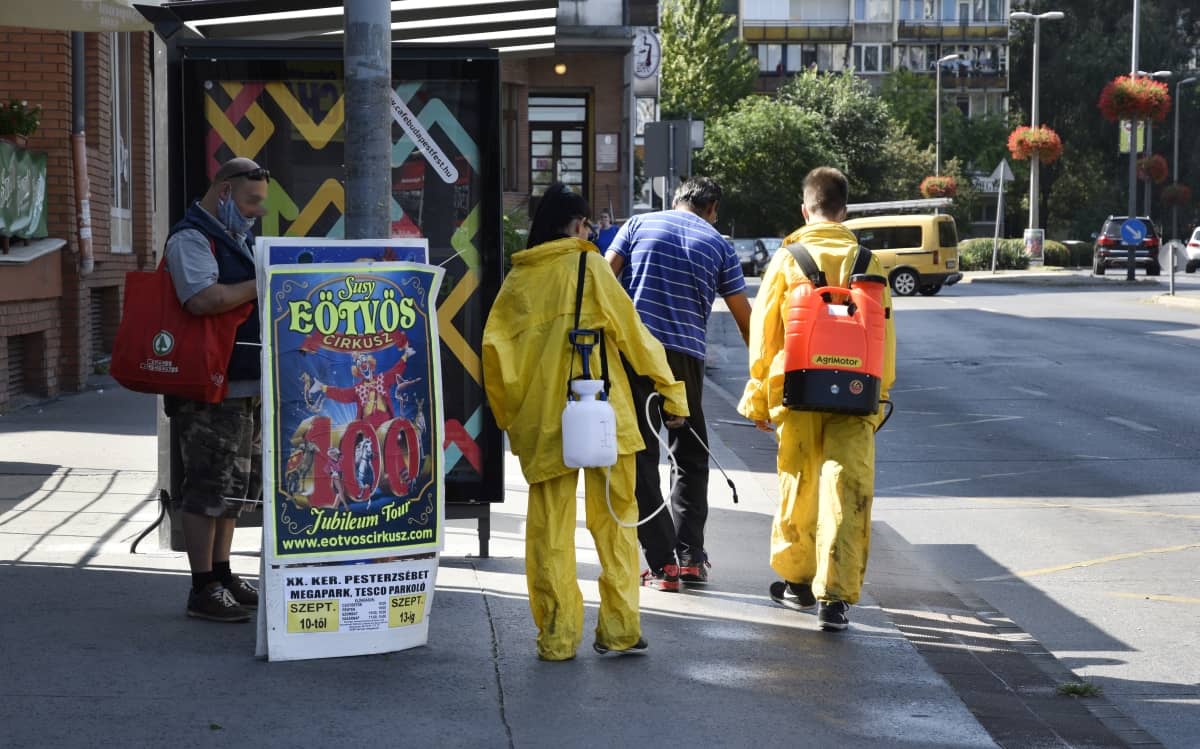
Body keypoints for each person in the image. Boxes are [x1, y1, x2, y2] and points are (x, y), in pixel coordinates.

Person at [483, 183, 688, 661]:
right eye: (589, 226)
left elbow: (495, 356)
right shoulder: (589, 267)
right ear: (578, 225)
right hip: (603, 415)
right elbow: (634, 336)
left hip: (545, 421)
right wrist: (672, 391)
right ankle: (619, 629)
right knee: (616, 522)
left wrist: (514, 421)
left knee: (549, 530)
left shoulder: (519, 280)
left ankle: (557, 637)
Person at [738, 167, 896, 632]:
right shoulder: (869, 261)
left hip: (797, 388)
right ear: (844, 211)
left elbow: (765, 335)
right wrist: (880, 394)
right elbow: (884, 335)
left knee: (799, 483)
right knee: (846, 490)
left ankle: (797, 583)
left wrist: (759, 398)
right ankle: (836, 599)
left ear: (805, 210)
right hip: (857, 390)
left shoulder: (789, 259)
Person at [604, 176, 752, 591]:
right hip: (685, 359)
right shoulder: (720, 244)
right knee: (689, 455)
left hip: (636, 351)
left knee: (640, 453)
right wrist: (764, 374)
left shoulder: (637, 224)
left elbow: (603, 278)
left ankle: (662, 563)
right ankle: (689, 558)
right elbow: (745, 319)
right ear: (712, 209)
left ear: (675, 200)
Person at [164, 157, 269, 623]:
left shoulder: (236, 238)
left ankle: (222, 574)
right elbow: (203, 299)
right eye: (250, 201)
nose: (256, 212)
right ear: (224, 191)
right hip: (210, 385)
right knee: (207, 486)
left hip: (244, 383)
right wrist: (261, 280)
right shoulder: (191, 238)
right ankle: (202, 586)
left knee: (236, 489)